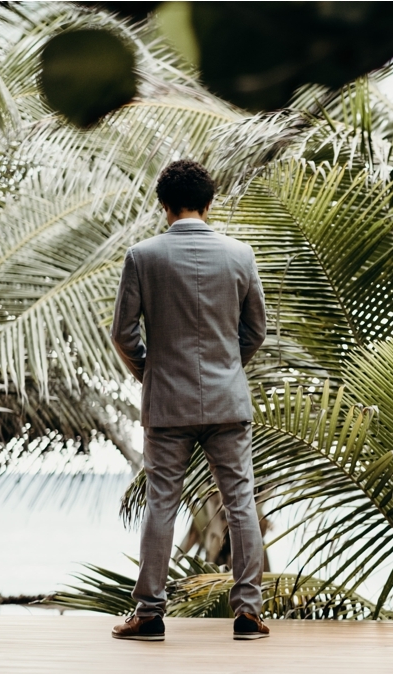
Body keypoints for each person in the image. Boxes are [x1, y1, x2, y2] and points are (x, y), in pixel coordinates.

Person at [109, 159, 269, 642]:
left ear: (164, 206)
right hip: (228, 402)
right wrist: (225, 368)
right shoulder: (240, 256)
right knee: (240, 502)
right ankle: (247, 614)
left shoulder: (143, 256)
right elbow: (255, 330)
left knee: (161, 502)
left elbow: (123, 333)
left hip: (167, 403)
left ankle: (150, 614)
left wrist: (151, 371)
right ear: (209, 202)